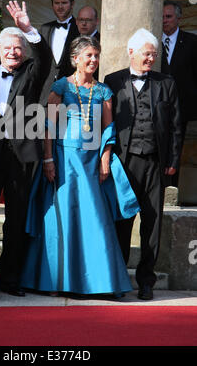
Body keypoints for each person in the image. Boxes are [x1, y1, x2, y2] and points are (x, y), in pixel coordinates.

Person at [20, 35, 140, 298]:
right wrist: (49, 159)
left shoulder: (103, 91)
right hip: (63, 159)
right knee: (61, 220)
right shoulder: (62, 86)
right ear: (76, 59)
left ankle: (99, 282)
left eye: (96, 56)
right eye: (89, 56)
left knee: (94, 218)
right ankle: (56, 282)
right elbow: (49, 125)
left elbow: (108, 128)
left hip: (89, 162)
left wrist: (105, 157)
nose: (94, 61)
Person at [0, 1, 51, 297]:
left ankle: (10, 280)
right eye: (7, 47)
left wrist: (28, 29)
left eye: (17, 47)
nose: (12, 52)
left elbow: (45, 57)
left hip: (23, 157)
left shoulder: (32, 71)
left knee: (16, 220)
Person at [104, 28, 182, 300]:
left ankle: (146, 280)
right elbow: (106, 123)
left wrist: (172, 160)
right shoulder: (112, 81)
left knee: (153, 221)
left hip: (156, 163)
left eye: (154, 54)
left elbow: (175, 126)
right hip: (123, 163)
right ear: (131, 53)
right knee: (122, 220)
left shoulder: (166, 82)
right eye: (146, 53)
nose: (150, 58)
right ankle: (118, 278)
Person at [161, 0, 197, 184]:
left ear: (179, 19)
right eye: (162, 17)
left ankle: (173, 186)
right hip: (158, 108)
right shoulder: (152, 42)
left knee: (178, 149)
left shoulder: (192, 42)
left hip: (183, 109)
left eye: (168, 17)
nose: (164, 21)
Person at [39, 0, 79, 104]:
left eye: (64, 3)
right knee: (48, 123)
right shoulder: (44, 29)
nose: (60, 7)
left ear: (72, 4)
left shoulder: (80, 29)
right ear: (52, 5)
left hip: (73, 94)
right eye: (57, 3)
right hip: (46, 94)